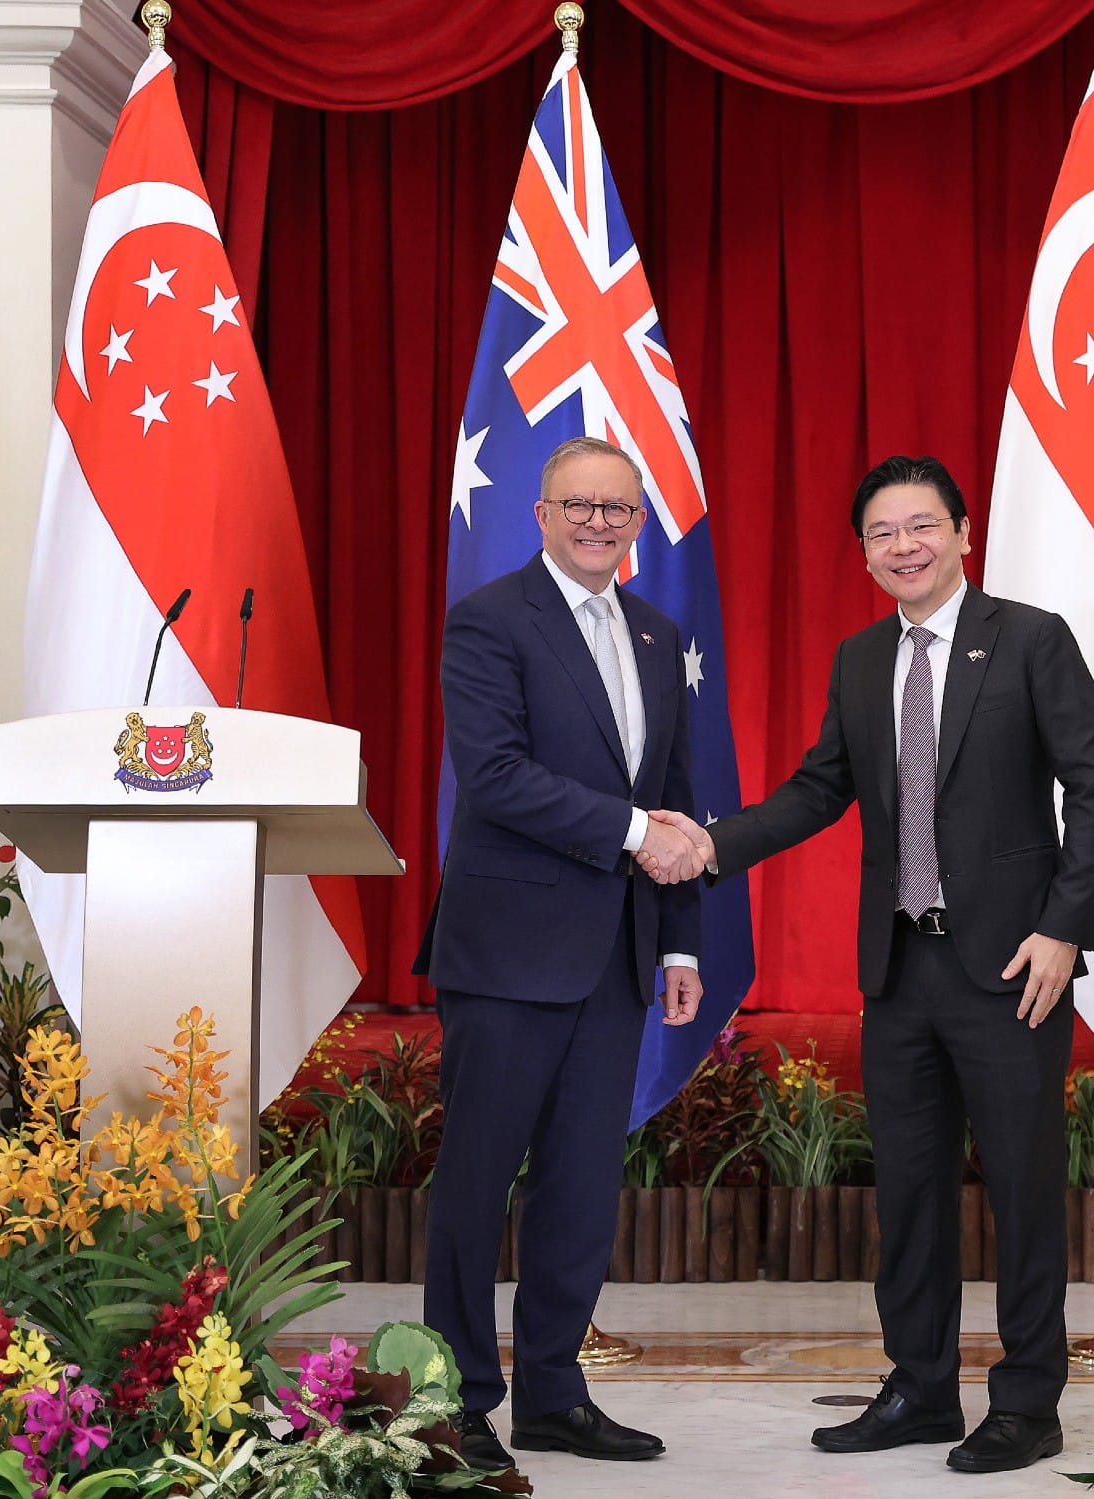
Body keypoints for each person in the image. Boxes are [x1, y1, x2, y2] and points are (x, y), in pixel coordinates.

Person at [648, 454, 1094, 1474]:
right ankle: (918, 1387)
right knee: (908, 1192)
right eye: (881, 532)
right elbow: (821, 788)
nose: (902, 546)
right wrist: (712, 842)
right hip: (900, 971)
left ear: (961, 532)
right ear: (863, 551)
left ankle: (1028, 1401)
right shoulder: (862, 659)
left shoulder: (1030, 639)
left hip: (1013, 970)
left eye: (920, 526)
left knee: (1025, 1195)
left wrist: (1065, 924)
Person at [416, 435, 711, 1472]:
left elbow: (673, 787)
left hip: (618, 960)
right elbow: (494, 777)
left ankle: (551, 1390)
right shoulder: (490, 620)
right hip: (506, 954)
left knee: (582, 1187)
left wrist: (680, 939)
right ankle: (452, 1400)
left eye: (618, 509)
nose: (598, 522)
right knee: (476, 1182)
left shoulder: (656, 631)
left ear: (639, 525)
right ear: (540, 513)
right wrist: (637, 835)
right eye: (578, 504)